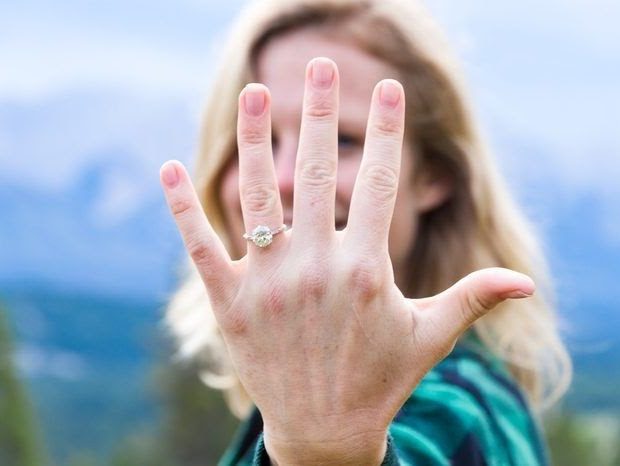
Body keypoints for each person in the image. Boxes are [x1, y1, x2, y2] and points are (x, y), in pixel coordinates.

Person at [160, 0, 572, 464]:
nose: (285, 178)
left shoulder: (457, 409)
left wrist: (328, 449)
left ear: (432, 177)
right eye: (259, 139)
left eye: (342, 139)